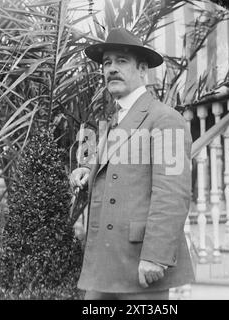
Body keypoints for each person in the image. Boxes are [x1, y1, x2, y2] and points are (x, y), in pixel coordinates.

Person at [69, 28, 194, 300]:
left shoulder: (165, 119)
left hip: (141, 265)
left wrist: (156, 256)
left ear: (142, 71)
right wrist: (89, 173)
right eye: (106, 63)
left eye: (121, 61)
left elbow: (173, 193)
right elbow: (122, 174)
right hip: (104, 264)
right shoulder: (114, 121)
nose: (111, 68)